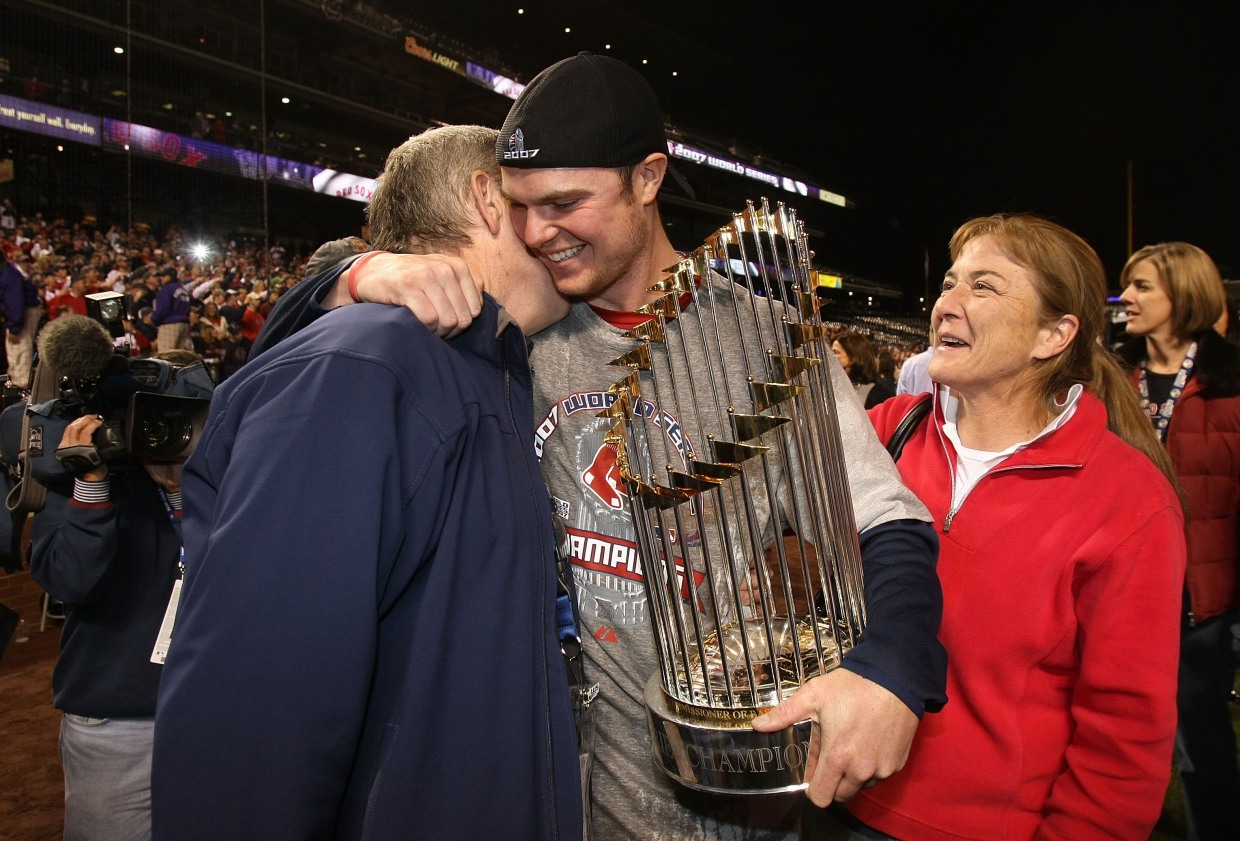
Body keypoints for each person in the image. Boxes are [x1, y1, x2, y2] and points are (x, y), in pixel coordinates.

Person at [259, 54, 947, 841]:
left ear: (648, 178)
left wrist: (887, 669)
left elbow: (889, 519)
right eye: (520, 206)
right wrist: (354, 273)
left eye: (564, 203)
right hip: (542, 792)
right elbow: (294, 341)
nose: (536, 232)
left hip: (719, 800)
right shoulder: (521, 319)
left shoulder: (770, 340)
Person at [151, 125, 583, 841]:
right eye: (534, 197)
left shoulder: (490, 369)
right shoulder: (364, 364)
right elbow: (255, 717)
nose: (555, 224)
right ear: (486, 198)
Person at [816, 214, 1187, 840]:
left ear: (1054, 334)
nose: (946, 305)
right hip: (830, 797)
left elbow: (1124, 741)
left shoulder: (1129, 501)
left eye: (983, 287)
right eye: (951, 282)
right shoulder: (887, 430)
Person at [28, 335, 214, 841]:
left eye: (188, 417)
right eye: (155, 417)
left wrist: (188, 496)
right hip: (117, 723)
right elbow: (69, 581)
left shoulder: (225, 490)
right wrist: (90, 483)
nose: (170, 432)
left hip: (211, 715)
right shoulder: (90, 482)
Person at [1116, 241, 1240, 841]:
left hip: (1202, 602)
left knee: (1202, 744)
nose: (1127, 298)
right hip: (1125, 591)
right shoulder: (1114, 376)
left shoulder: (1229, 380)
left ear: (1183, 296)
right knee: (1115, 737)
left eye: (1142, 287)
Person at [0, 255, 44, 390]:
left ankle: (21, 389)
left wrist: (14, 328)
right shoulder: (9, 269)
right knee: (17, 351)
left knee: (19, 348)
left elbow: (16, 304)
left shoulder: (10, 276)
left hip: (24, 313)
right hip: (23, 311)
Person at [831, 331, 896, 407]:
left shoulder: (880, 391)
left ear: (853, 357)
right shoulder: (838, 385)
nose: (830, 356)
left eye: (836, 352)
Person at [150, 266, 192, 351]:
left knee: (166, 355)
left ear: (169, 277)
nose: (161, 278)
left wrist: (155, 319)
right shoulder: (182, 289)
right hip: (184, 325)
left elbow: (163, 308)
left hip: (169, 325)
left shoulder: (167, 289)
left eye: (163, 276)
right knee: (180, 357)